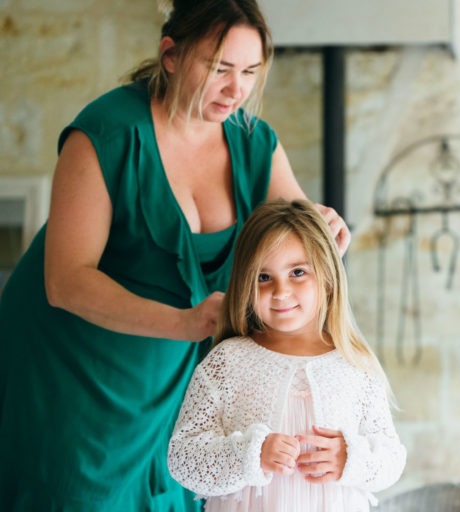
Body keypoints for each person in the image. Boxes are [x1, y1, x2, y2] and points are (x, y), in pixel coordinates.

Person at [0, 0, 350, 510]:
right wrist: (185, 323)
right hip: (77, 368)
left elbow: (297, 238)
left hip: (181, 380)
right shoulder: (106, 133)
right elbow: (66, 281)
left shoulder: (255, 144)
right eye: (219, 69)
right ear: (170, 55)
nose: (237, 90)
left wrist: (331, 234)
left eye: (250, 71)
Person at [167, 199, 406, 512]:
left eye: (297, 272)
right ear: (245, 285)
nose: (280, 292)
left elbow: (392, 458)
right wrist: (251, 454)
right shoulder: (227, 362)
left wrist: (351, 457)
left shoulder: (355, 366)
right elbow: (183, 458)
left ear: (329, 281)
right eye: (263, 278)